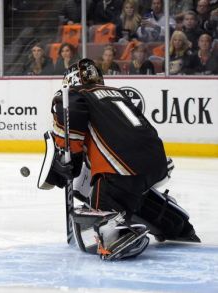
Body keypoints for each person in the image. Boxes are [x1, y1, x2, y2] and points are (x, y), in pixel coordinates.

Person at [37, 58, 200, 260]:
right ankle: (176, 223)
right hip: (156, 161)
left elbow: (72, 124)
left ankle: (112, 234)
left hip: (121, 168)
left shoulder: (72, 94)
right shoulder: (118, 94)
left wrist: (69, 159)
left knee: (94, 210)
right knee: (134, 193)